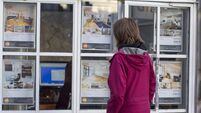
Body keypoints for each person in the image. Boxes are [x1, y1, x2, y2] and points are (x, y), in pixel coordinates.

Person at [106, 18, 156, 113]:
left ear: (119, 34)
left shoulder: (119, 58)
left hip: (125, 109)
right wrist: (144, 104)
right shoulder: (146, 57)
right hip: (143, 109)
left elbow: (118, 94)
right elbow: (152, 85)